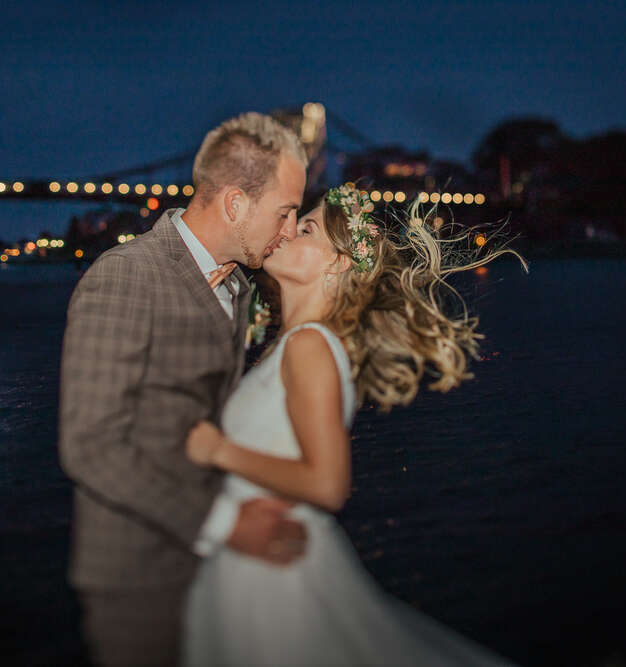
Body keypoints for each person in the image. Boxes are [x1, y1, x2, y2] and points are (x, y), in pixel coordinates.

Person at [184, 185, 529, 666]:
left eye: (305, 228)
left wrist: (218, 450)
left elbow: (327, 484)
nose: (285, 230)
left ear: (339, 262)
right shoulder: (291, 346)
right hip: (252, 559)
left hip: (274, 581)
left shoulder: (311, 346)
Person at [58, 112, 312, 666]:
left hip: (215, 568)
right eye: (286, 211)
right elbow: (90, 444)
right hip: (138, 577)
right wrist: (224, 524)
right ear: (235, 204)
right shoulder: (126, 276)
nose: (291, 229)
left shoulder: (240, 284)